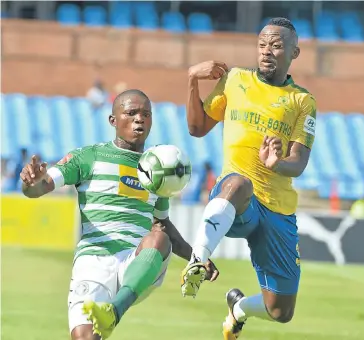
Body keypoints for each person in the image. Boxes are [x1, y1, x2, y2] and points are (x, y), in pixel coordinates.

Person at [20, 89, 219, 340]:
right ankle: (108, 315)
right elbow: (40, 187)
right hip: (93, 260)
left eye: (146, 114)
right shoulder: (89, 157)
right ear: (113, 120)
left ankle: (114, 310)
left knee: (158, 236)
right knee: (85, 337)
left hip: (136, 260)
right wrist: (31, 182)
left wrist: (196, 256)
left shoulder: (159, 168)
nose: (139, 119)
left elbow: (163, 225)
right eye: (131, 113)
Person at [180, 18, 317, 339]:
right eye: (262, 45)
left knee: (280, 311)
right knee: (238, 182)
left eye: (276, 45)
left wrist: (277, 163)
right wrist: (191, 80)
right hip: (239, 201)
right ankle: (197, 260)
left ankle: (238, 309)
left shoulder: (302, 101)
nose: (267, 51)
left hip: (277, 210)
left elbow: (298, 163)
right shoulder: (234, 80)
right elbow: (197, 128)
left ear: (294, 53)